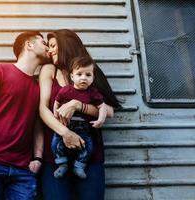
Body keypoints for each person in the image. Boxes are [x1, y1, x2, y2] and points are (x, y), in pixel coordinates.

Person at [39, 29, 121, 200]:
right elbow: (43, 109)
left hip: (89, 155)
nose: (50, 50)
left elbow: (110, 110)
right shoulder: (49, 70)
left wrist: (78, 105)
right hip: (56, 156)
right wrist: (66, 134)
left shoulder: (89, 70)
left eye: (54, 46)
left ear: (66, 45)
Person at [0, 31, 49, 200]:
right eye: (43, 43)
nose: (48, 47)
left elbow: (37, 125)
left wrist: (37, 158)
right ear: (29, 45)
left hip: (23, 171)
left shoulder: (39, 87)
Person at [52, 56, 108, 179]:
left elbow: (102, 107)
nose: (83, 78)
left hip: (83, 128)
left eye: (88, 75)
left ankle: (79, 165)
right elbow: (56, 101)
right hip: (66, 125)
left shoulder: (92, 93)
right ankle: (62, 164)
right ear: (72, 77)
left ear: (93, 78)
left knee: (88, 147)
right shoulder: (66, 90)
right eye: (79, 74)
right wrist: (55, 114)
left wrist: (100, 120)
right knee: (55, 144)